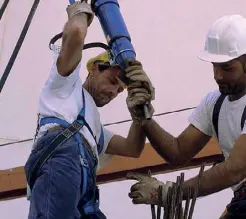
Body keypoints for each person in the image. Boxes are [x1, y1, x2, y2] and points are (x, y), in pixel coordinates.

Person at [125, 14, 246, 218]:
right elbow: (177, 152)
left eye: (227, 68)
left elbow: (234, 170)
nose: (218, 75)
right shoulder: (213, 103)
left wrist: (171, 193)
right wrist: (144, 118)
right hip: (243, 200)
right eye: (215, 66)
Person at [24, 2, 154, 219]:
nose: (114, 91)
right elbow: (75, 32)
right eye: (112, 81)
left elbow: (133, 148)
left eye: (120, 91)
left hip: (84, 181)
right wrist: (80, 7)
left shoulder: (94, 131)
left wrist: (140, 111)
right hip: (61, 160)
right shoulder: (65, 85)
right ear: (94, 69)